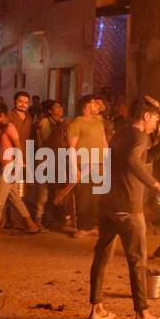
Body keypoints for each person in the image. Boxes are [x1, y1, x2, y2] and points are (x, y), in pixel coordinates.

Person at [87, 97, 160, 319]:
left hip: (108, 204)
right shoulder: (140, 136)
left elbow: (144, 159)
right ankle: (143, 314)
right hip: (127, 208)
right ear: (146, 116)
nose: (156, 125)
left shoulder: (121, 133)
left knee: (102, 256)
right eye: (155, 120)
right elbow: (133, 161)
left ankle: (96, 308)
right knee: (137, 261)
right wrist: (159, 187)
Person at [0, 101, 44, 233]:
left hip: (10, 167)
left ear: (0, 115)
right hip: (10, 167)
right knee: (15, 199)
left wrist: (16, 166)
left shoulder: (10, 128)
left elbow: (18, 147)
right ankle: (30, 224)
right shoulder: (4, 128)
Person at [62, 95, 108, 236]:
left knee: (96, 198)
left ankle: (91, 226)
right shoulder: (76, 123)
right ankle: (83, 227)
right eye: (94, 103)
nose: (97, 106)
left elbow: (104, 143)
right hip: (83, 165)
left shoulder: (99, 123)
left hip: (98, 165)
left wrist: (107, 163)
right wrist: (74, 168)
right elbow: (71, 148)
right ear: (86, 107)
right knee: (83, 197)